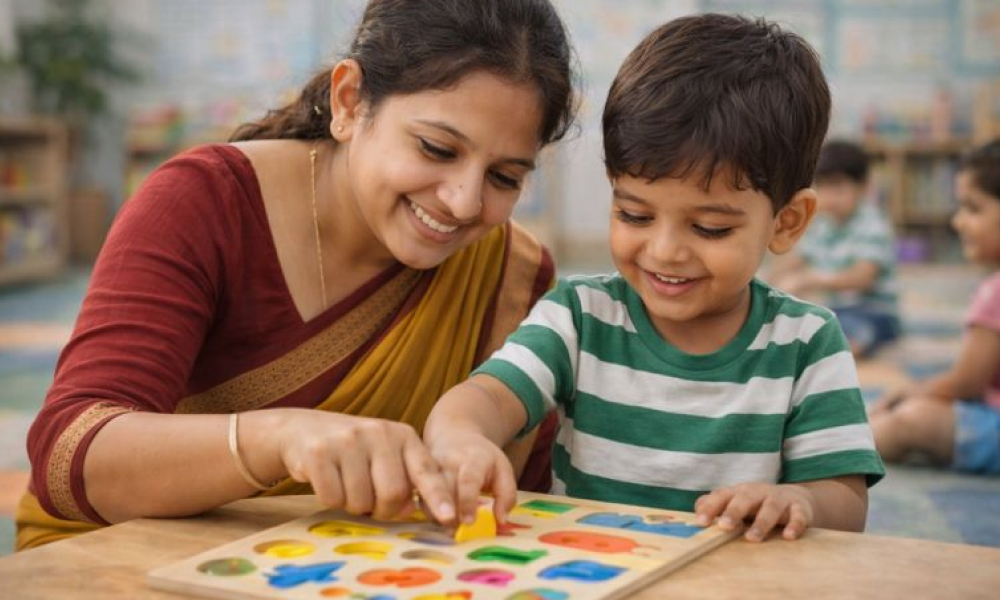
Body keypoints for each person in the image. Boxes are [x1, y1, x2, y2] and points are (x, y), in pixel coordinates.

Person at [16, 0, 577, 550]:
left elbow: (517, 518)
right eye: (436, 148)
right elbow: (69, 457)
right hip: (131, 561)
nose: (463, 202)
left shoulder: (509, 277)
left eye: (504, 178)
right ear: (350, 101)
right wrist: (277, 438)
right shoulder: (203, 205)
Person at [424, 13, 884, 544]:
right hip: (590, 572)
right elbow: (484, 398)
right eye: (635, 216)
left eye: (710, 228)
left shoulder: (807, 342)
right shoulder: (579, 316)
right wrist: (462, 436)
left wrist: (800, 499)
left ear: (787, 222)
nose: (664, 252)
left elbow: (846, 500)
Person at [869, 138, 1000, 473]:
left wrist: (911, 393)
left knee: (910, 419)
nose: (957, 222)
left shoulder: (995, 292)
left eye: (973, 208)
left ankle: (843, 446)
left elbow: (966, 384)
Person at [768, 140, 901, 357]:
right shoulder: (822, 225)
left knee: (858, 329)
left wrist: (811, 279)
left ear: (864, 187)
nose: (830, 198)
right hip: (837, 309)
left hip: (875, 312)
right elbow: (794, 259)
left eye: (839, 189)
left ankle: (848, 345)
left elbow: (862, 277)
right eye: (824, 188)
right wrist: (768, 282)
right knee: (811, 319)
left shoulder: (872, 223)